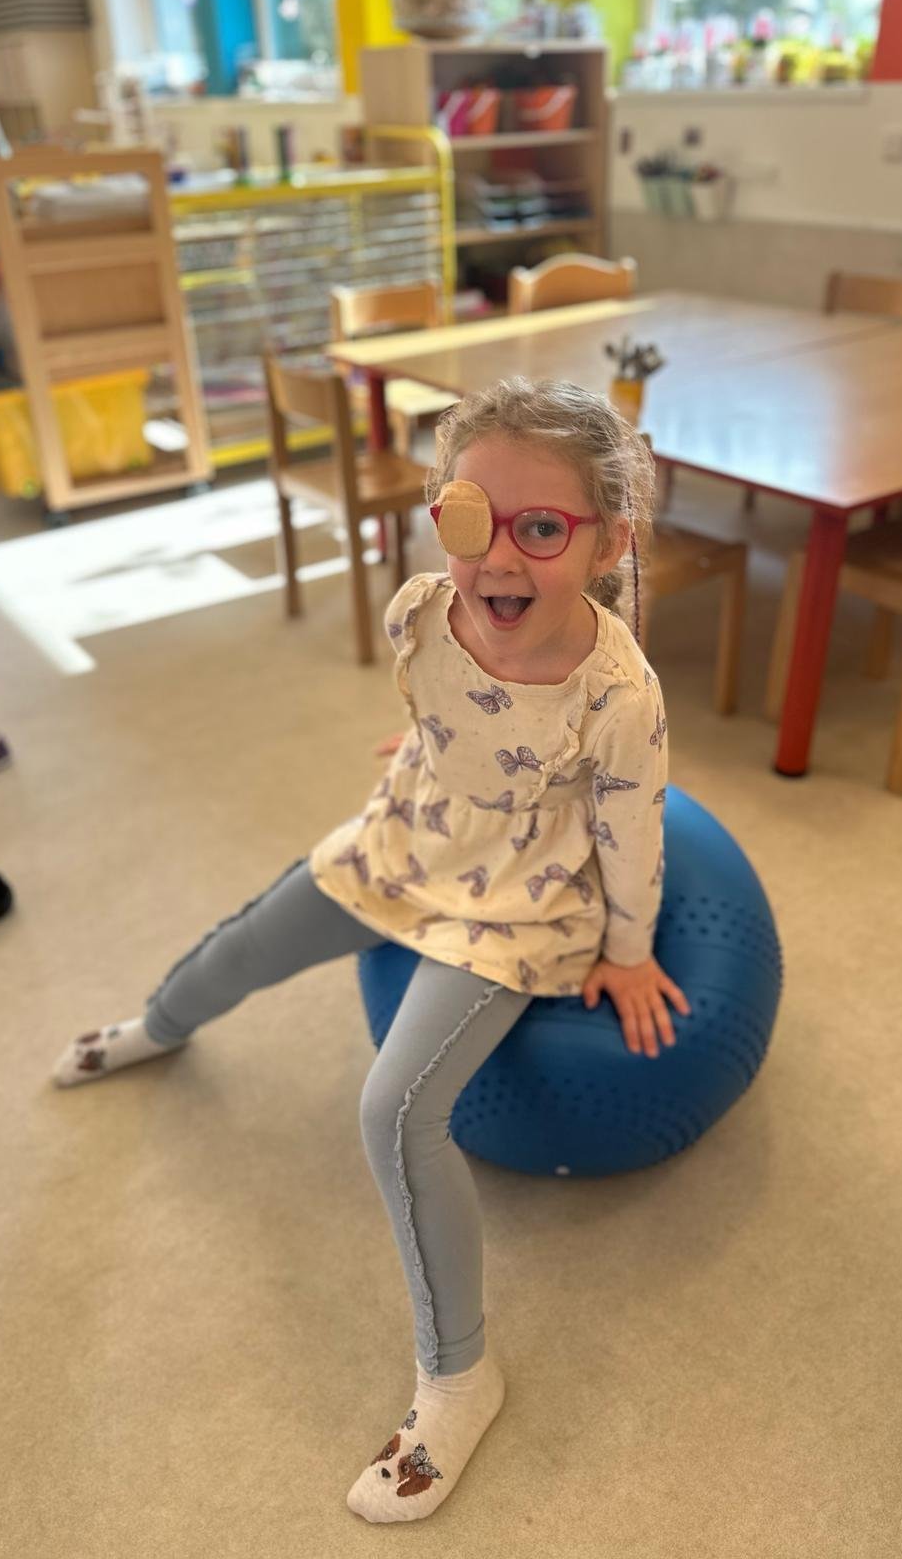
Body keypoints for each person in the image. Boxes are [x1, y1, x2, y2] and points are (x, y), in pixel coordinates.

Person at [50, 376, 689, 1523]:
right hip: (407, 837)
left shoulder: (620, 696)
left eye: (542, 529)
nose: (498, 559)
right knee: (245, 941)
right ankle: (157, 1026)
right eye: (471, 520)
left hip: (517, 904)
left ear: (609, 543)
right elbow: (444, 699)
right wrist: (437, 739)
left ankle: (458, 1374)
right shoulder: (421, 610)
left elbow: (629, 832)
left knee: (392, 1110)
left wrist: (630, 949)